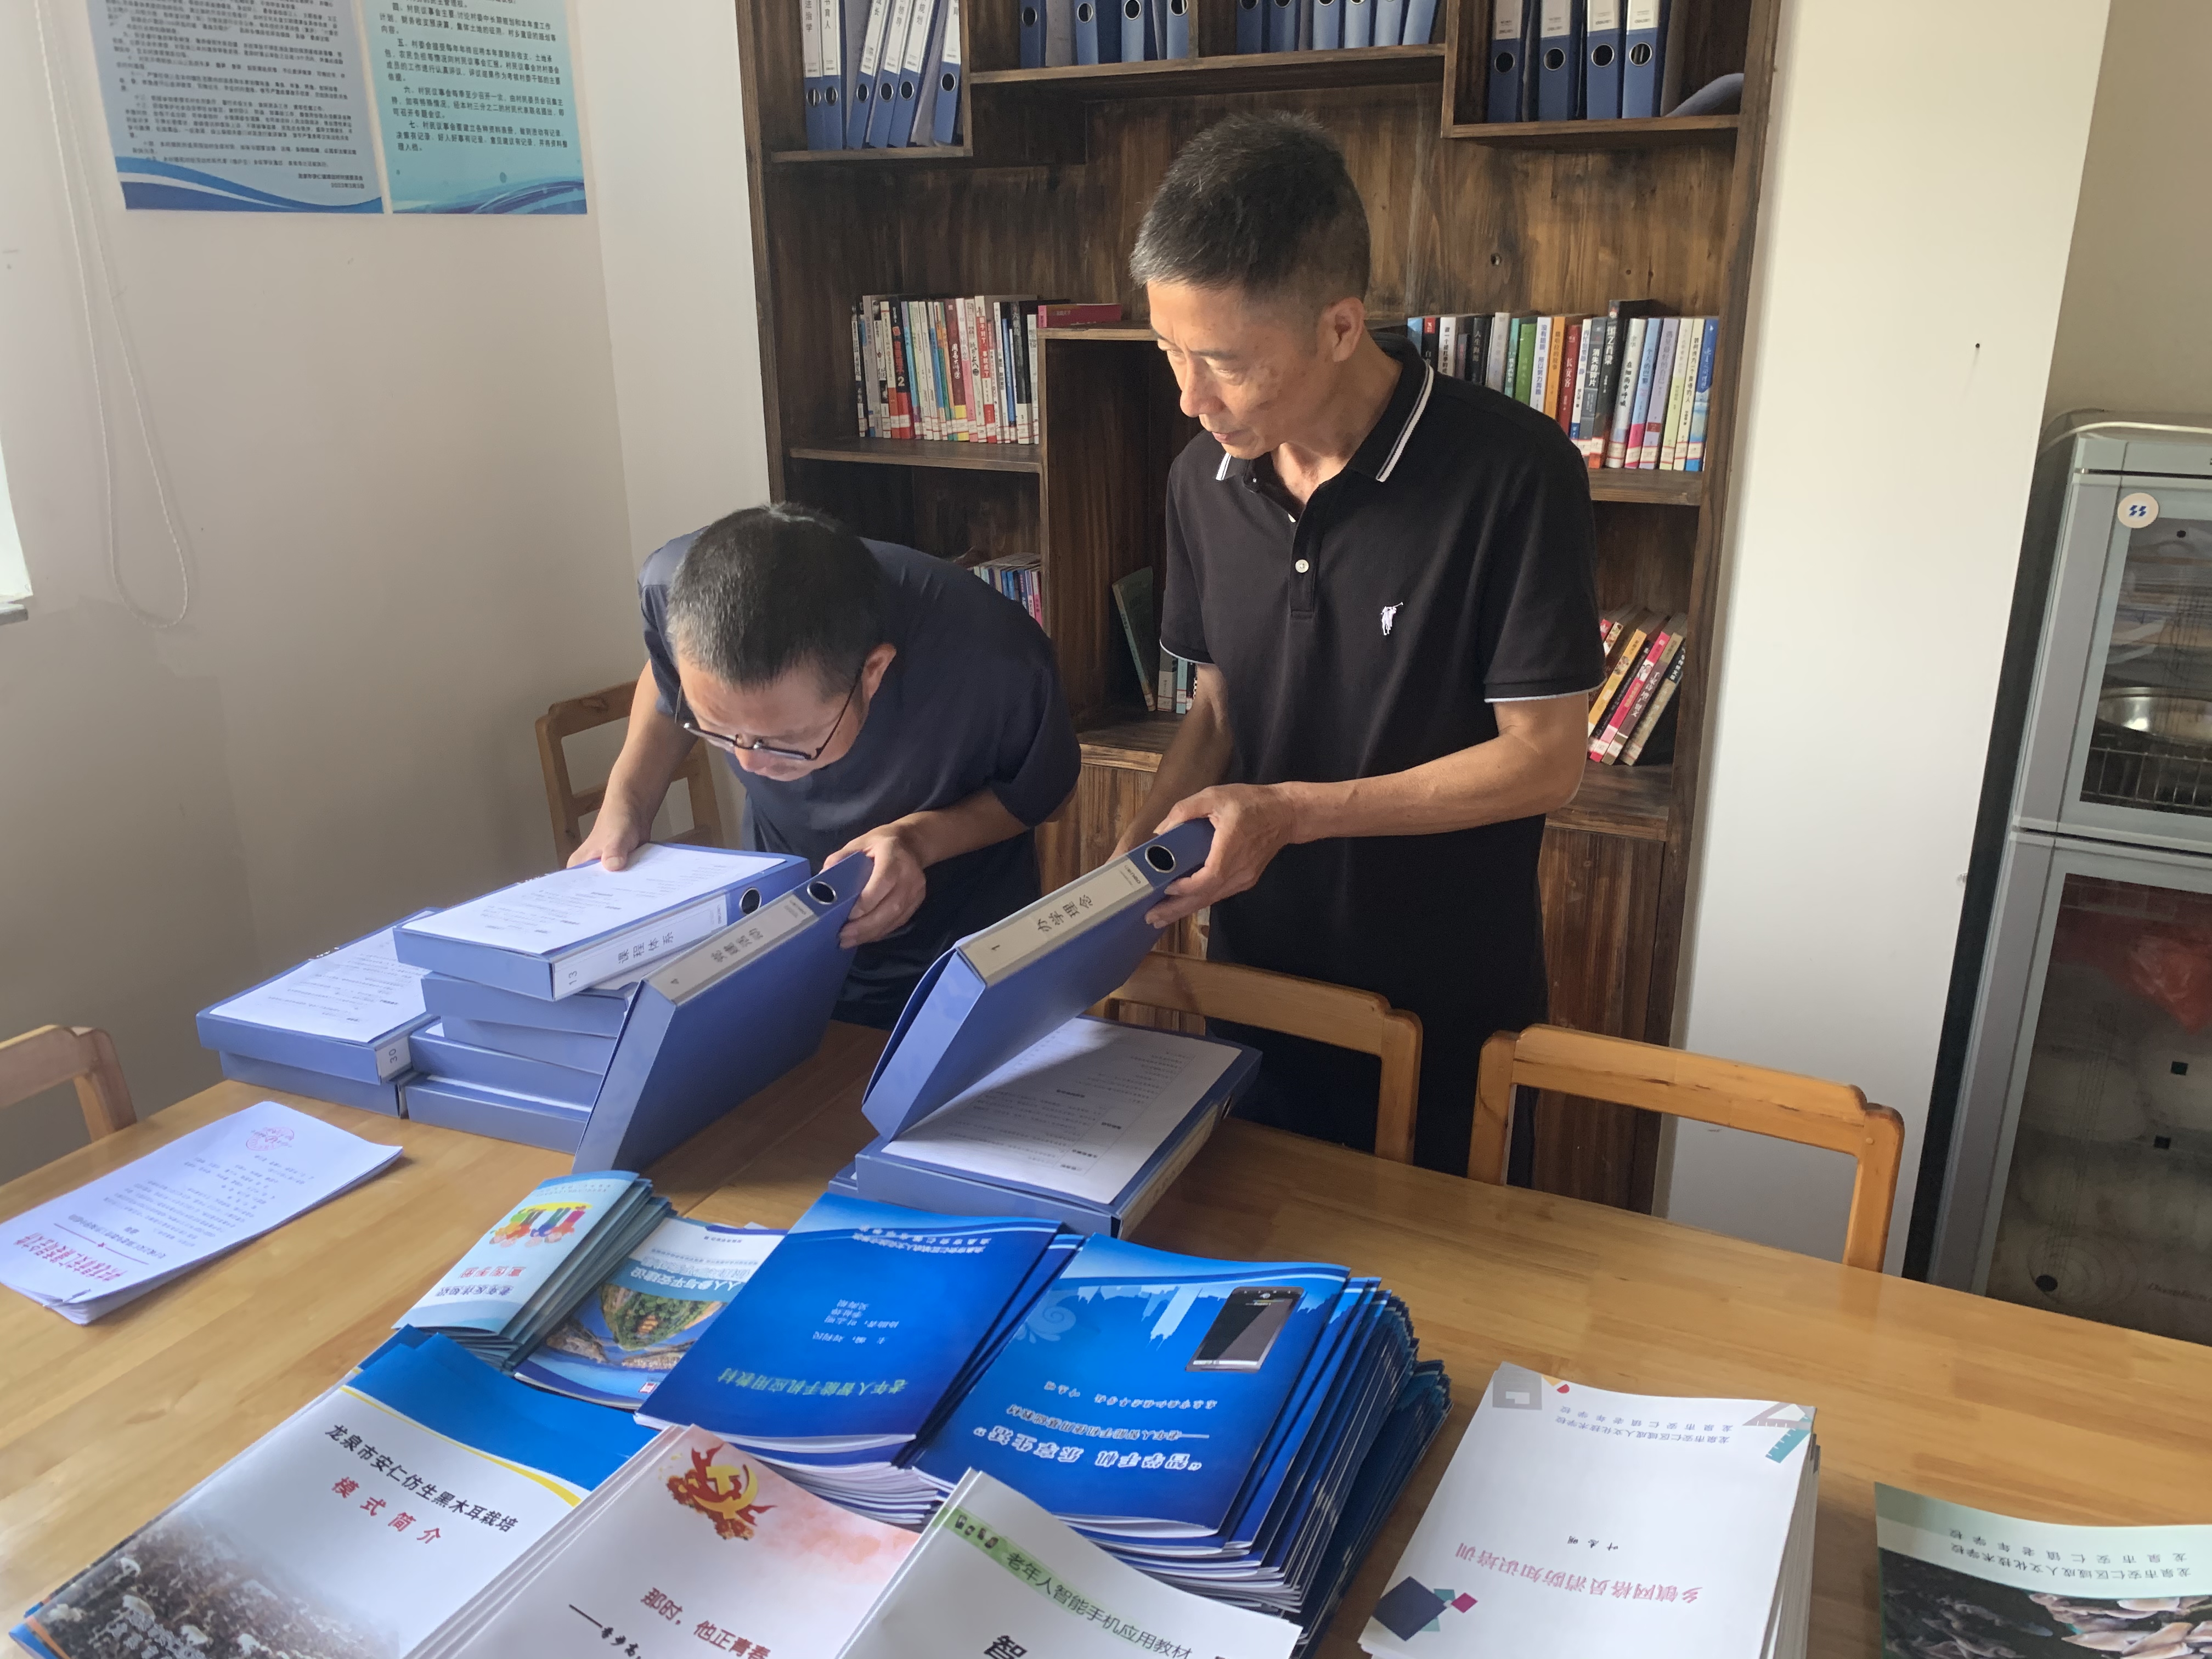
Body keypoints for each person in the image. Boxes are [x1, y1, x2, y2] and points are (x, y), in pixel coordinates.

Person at [1113, 112, 1604, 1177]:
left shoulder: (1513, 473)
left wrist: (1295, 812)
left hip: (1444, 1006)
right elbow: (1221, 707)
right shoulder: (1201, 481)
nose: (1191, 401)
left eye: (1224, 363)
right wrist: (1129, 859)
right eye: (1168, 353)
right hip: (1253, 985)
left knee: (1438, 1273)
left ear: (1340, 327)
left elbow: (1545, 759)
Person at [575, 504, 1081, 1028]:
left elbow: (1044, 794)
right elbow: (666, 678)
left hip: (957, 948)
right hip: (787, 920)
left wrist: (918, 840)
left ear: (873, 671)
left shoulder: (994, 657)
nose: (750, 762)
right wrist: (627, 802)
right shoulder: (675, 585)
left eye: (787, 742)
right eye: (722, 730)